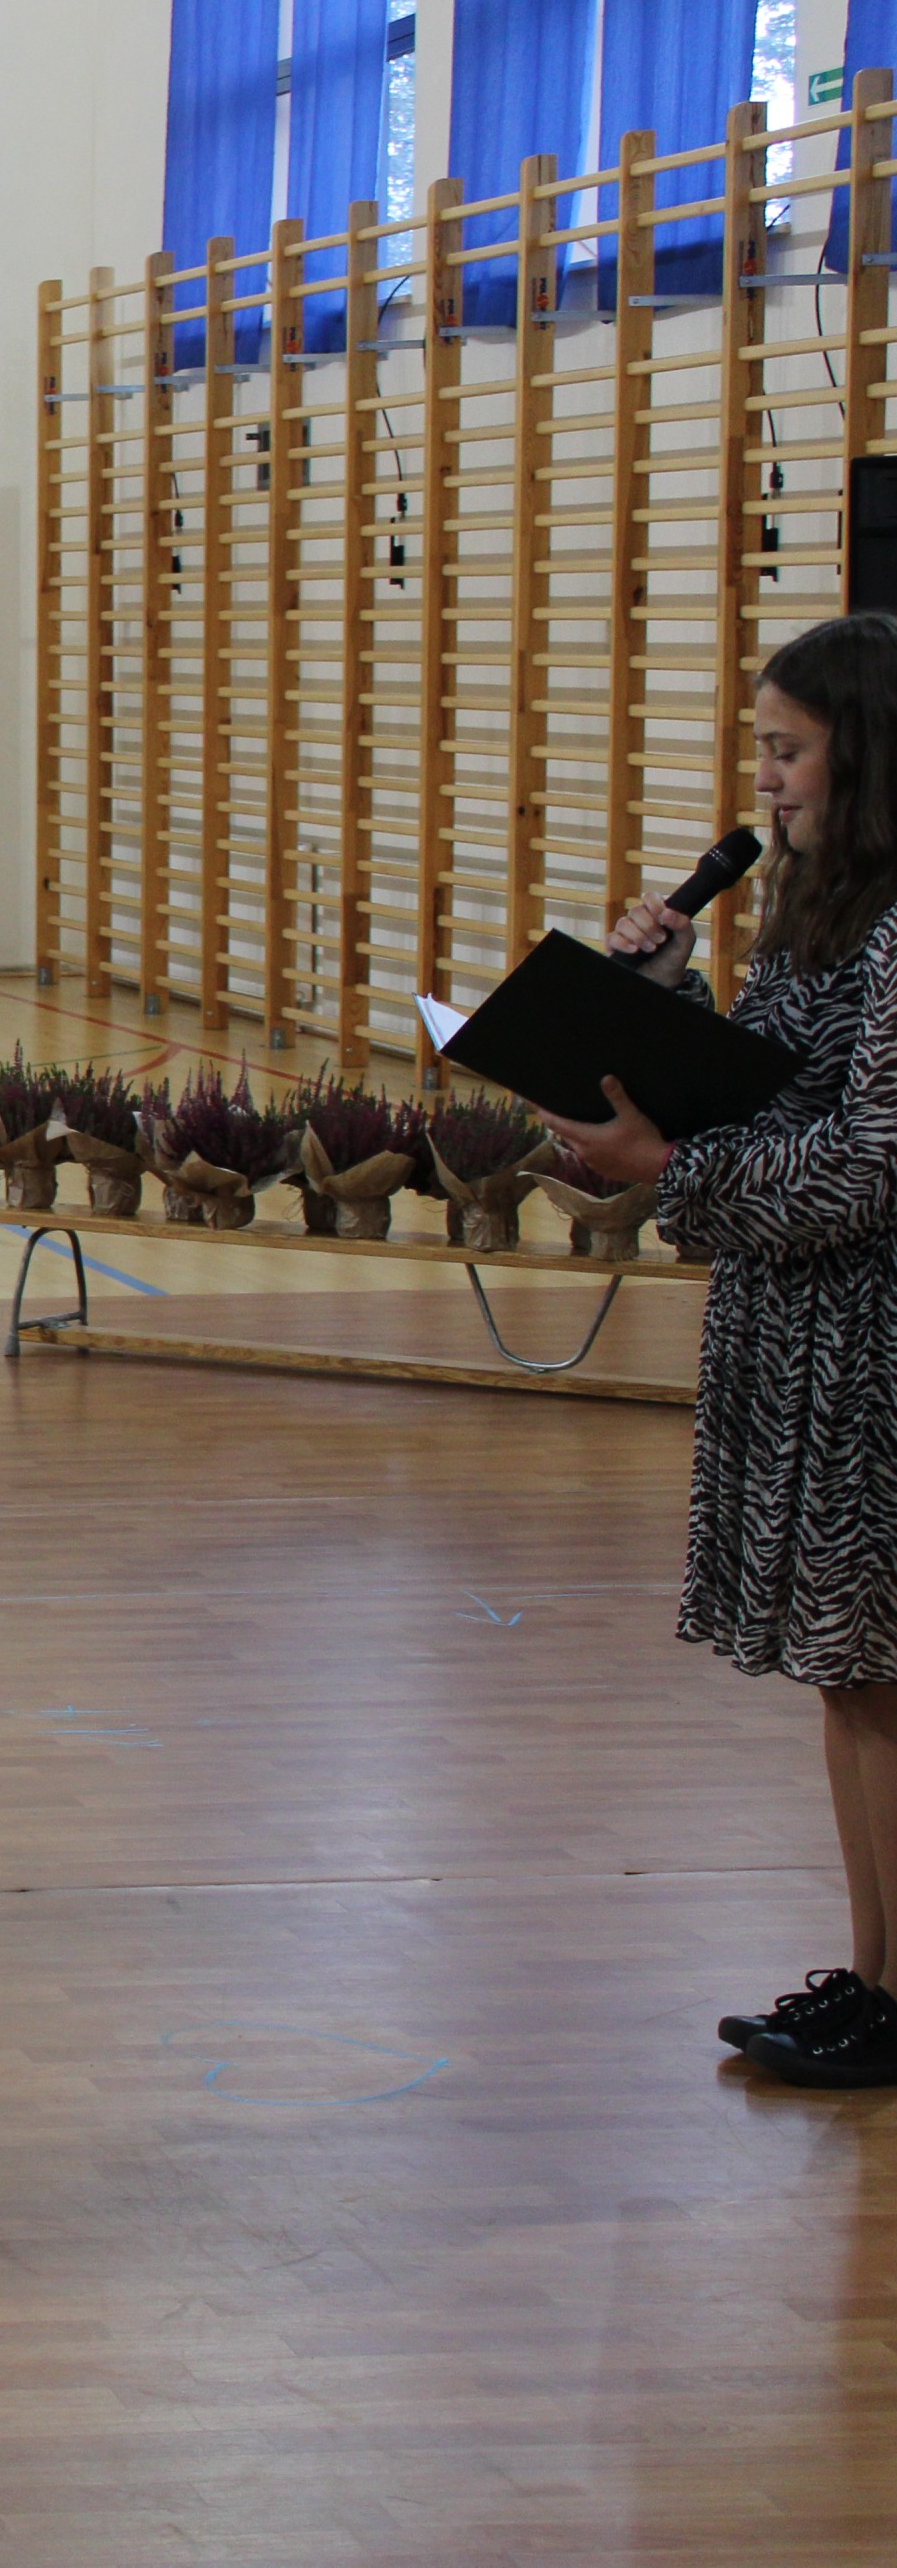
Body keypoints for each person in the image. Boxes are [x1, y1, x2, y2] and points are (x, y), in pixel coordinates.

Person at [542, 614, 897, 2089]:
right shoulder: (820, 907)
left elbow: (863, 1164)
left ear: (865, 755)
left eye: (789, 749)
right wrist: (667, 997)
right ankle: (873, 1974)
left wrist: (661, 1171)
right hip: (797, 1331)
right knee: (847, 1673)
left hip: (872, 1348)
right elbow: (768, 1095)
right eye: (762, 747)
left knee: (880, 1674)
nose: (767, 778)